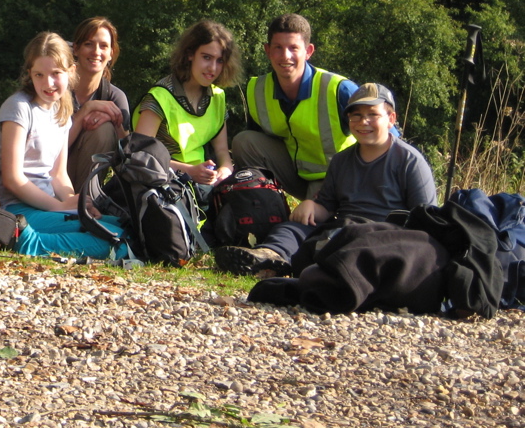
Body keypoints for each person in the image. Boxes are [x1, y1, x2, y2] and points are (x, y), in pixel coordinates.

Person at [215, 83, 438, 277]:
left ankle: (312, 263)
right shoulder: (341, 160)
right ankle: (269, 256)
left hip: (384, 236)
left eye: (372, 114)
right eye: (356, 115)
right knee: (294, 227)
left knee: (342, 242)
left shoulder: (410, 160)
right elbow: (328, 207)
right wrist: (313, 205)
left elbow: (426, 220)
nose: (363, 122)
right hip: (343, 227)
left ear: (391, 119)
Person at [0, 31, 128, 258]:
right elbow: (13, 180)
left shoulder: (60, 108)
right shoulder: (18, 108)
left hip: (46, 206)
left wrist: (75, 203)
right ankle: (32, 244)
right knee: (119, 241)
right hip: (17, 209)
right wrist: (58, 207)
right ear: (30, 74)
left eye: (56, 73)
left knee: (123, 226)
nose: (48, 83)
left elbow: (58, 174)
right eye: (39, 75)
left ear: (71, 72)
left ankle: (38, 240)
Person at [232, 14, 358, 201]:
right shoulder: (256, 89)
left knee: (310, 224)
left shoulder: (339, 89)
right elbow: (257, 142)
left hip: (336, 176)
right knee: (244, 141)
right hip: (294, 173)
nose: (285, 56)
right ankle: (269, 208)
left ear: (308, 51)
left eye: (294, 48)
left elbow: (387, 139)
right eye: (278, 48)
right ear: (267, 50)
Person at [131, 20, 241, 192]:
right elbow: (139, 155)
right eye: (206, 57)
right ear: (190, 54)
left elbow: (221, 151)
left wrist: (224, 171)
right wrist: (189, 171)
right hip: (161, 183)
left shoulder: (218, 97)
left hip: (202, 183)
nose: (212, 68)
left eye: (219, 60)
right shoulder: (160, 97)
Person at [66, 17, 130, 190]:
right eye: (88, 44)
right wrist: (87, 110)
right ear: (76, 49)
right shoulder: (56, 88)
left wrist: (113, 121)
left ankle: (86, 200)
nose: (96, 52)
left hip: (85, 182)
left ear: (111, 54)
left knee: (105, 129)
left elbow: (127, 157)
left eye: (103, 46)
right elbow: (49, 149)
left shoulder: (115, 97)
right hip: (48, 176)